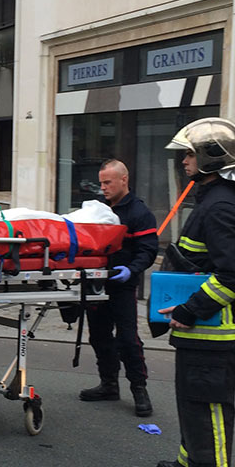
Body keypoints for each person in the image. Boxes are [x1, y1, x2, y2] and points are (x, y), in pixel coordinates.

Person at [155, 118, 235, 467]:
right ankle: (192, 463)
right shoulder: (213, 197)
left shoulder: (220, 207)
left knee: (208, 404)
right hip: (199, 327)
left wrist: (189, 308)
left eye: (190, 154)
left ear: (211, 158)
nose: (184, 160)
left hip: (209, 329)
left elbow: (233, 275)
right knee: (191, 399)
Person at [79, 159, 158, 417]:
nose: (103, 187)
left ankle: (139, 389)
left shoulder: (139, 213)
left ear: (124, 180)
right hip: (98, 283)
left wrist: (132, 270)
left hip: (123, 285)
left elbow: (147, 251)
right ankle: (109, 384)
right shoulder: (98, 211)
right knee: (99, 335)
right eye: (101, 182)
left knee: (128, 339)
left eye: (108, 182)